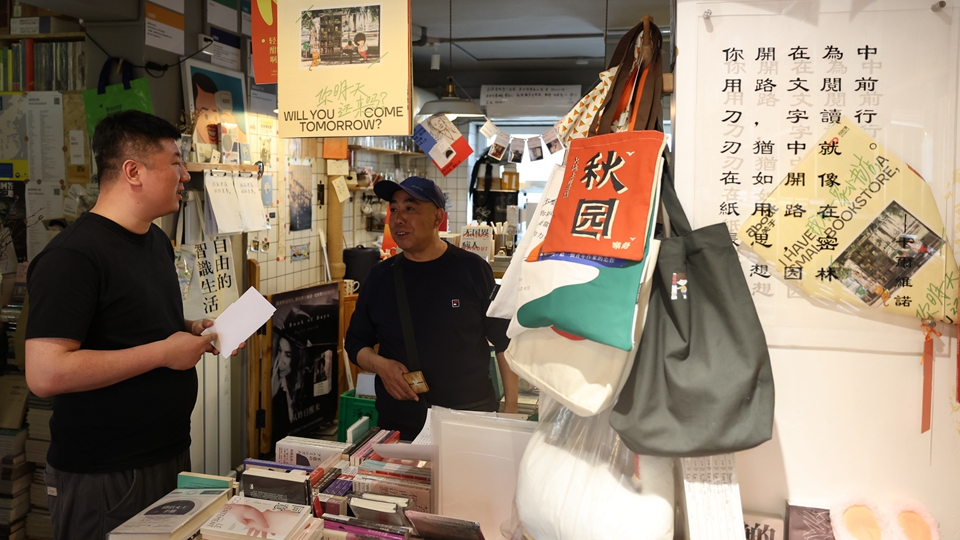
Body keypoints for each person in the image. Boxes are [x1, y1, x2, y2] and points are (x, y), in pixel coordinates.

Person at [25, 110, 240, 540]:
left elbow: (126, 320)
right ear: (133, 171)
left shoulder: (155, 239)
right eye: (175, 163)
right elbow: (46, 372)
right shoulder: (72, 256)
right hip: (106, 473)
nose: (184, 175)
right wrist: (164, 352)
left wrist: (189, 329)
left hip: (167, 453)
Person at [345, 176, 519, 440]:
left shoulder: (472, 269)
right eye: (394, 209)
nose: (399, 219)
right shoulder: (380, 277)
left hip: (469, 418)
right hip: (401, 423)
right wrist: (380, 365)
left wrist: (511, 407)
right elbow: (355, 343)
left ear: (438, 217)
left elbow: (505, 340)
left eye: (410, 208)